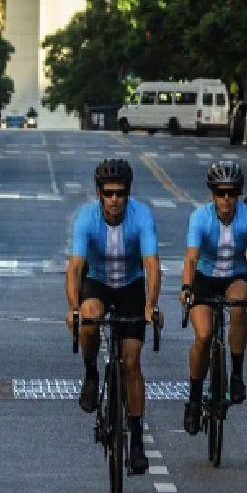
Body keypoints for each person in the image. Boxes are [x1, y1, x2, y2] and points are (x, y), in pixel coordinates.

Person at [65, 158, 161, 474]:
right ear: (99, 194)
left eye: (120, 193)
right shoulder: (85, 219)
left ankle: (136, 439)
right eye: (108, 194)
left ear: (128, 194)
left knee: (132, 361)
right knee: (90, 318)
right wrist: (73, 308)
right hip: (98, 282)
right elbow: (76, 268)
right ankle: (91, 373)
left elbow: (151, 265)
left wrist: (150, 305)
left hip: (131, 285)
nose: (115, 200)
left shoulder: (142, 217)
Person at [181, 161, 247, 435]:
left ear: (238, 193)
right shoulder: (200, 217)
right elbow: (192, 257)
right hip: (204, 277)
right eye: (220, 192)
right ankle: (193, 400)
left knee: (239, 308)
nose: (226, 198)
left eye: (231, 192)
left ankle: (236, 375)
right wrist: (186, 287)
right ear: (212, 194)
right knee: (204, 336)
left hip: (235, 276)